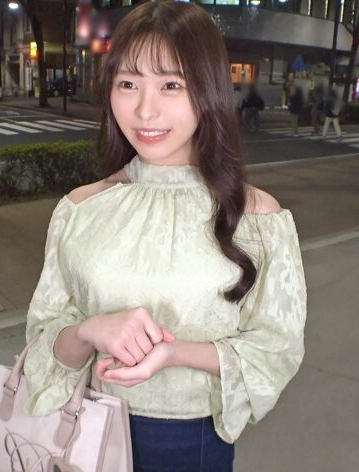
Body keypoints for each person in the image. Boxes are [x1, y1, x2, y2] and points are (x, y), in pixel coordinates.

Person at [23, 1, 307, 471]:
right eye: (128, 83)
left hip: (190, 442)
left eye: (171, 85)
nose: (145, 110)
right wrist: (89, 330)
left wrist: (174, 353)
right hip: (84, 428)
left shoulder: (258, 217)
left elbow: (276, 348)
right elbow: (42, 345)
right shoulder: (80, 209)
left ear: (208, 90)